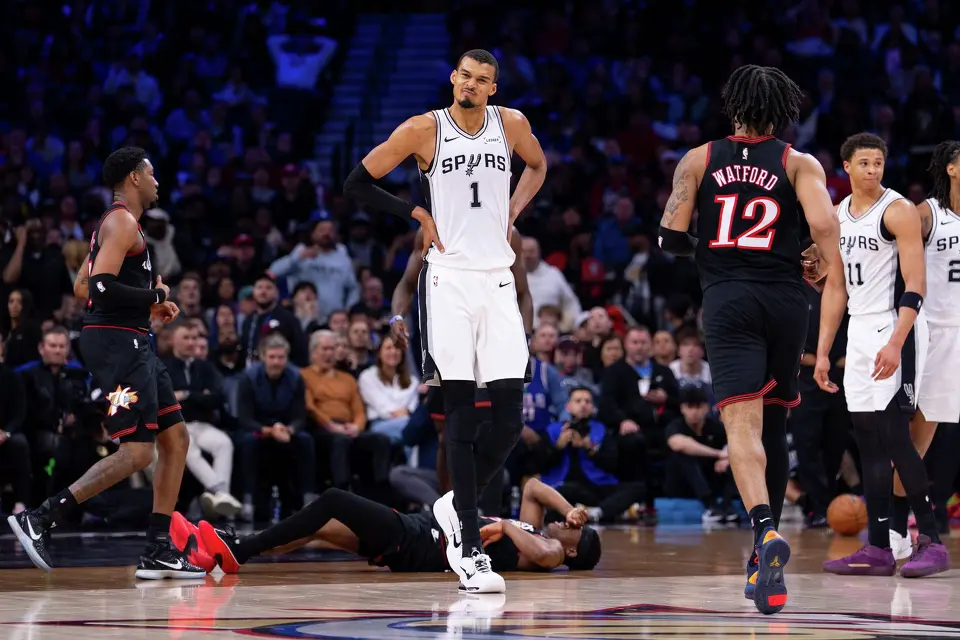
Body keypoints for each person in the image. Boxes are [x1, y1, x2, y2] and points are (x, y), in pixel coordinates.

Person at [347, 44, 546, 593]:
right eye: (464, 75)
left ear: (493, 89)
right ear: (453, 78)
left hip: (499, 280)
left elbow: (539, 163)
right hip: (449, 281)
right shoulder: (423, 130)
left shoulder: (512, 125)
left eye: (482, 79)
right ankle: (471, 547)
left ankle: (457, 509)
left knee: (509, 418)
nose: (471, 85)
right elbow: (356, 183)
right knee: (460, 413)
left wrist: (514, 210)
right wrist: (414, 211)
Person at [658, 65, 842, 615]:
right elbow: (826, 226)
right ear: (783, 112)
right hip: (787, 302)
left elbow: (669, 238)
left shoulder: (700, 159)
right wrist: (818, 263)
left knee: (742, 422)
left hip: (729, 300)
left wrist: (713, 251)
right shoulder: (797, 162)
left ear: (733, 108)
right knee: (777, 419)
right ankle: (762, 559)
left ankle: (764, 533)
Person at [7, 146, 204, 579]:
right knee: (137, 452)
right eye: (151, 174)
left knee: (177, 440)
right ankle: (39, 517)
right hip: (117, 346)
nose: (157, 181)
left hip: (133, 339)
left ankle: (157, 547)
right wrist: (155, 296)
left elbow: (83, 286)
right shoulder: (119, 221)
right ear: (134, 177)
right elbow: (97, 288)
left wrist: (148, 307)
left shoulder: (122, 227)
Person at [817, 134, 950, 578]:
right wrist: (822, 352)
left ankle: (929, 540)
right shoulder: (837, 215)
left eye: (879, 163)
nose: (873, 170)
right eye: (865, 163)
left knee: (895, 435)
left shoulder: (898, 211)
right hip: (859, 328)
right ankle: (877, 548)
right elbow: (835, 288)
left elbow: (916, 283)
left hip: (898, 325)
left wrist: (897, 340)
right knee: (868, 438)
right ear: (848, 167)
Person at [183, 476, 600, 576]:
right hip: (419, 531)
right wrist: (574, 507)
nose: (566, 524)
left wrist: (505, 529)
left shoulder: (550, 551)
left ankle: (237, 550)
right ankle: (228, 551)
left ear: (575, 549)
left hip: (422, 542)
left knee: (334, 500)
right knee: (319, 527)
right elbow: (532, 487)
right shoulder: (535, 530)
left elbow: (548, 555)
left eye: (575, 528)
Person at [885, 141, 960, 555]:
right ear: (950, 168)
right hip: (929, 331)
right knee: (917, 437)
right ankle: (897, 527)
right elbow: (883, 247)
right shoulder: (929, 213)